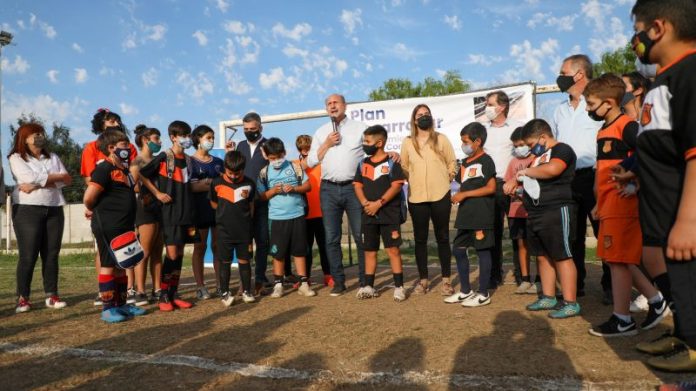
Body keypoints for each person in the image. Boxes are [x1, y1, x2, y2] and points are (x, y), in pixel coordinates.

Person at [628, 0, 696, 372]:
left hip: (684, 213)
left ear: (658, 28)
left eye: (636, 30)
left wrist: (689, 220)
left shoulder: (689, 72)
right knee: (680, 279)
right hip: (663, 209)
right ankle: (685, 334)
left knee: (691, 274)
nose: (634, 40)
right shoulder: (664, 78)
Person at [584, 73, 669, 337]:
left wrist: (636, 184)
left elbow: (651, 153)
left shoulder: (627, 126)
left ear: (609, 103)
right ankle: (656, 300)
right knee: (616, 259)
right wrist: (599, 202)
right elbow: (604, 171)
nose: (588, 109)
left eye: (591, 104)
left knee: (618, 261)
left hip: (624, 206)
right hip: (609, 206)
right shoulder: (603, 130)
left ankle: (623, 319)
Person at [552, 55, 612, 302]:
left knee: (604, 231)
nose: (559, 75)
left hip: (596, 177)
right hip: (566, 179)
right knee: (571, 235)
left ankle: (611, 286)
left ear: (578, 74)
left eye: (563, 71)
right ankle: (575, 285)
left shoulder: (597, 105)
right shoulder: (558, 110)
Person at [306, 94, 369, 297]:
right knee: (331, 238)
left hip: (353, 188)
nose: (332, 106)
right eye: (329, 104)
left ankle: (364, 281)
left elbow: (371, 151)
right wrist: (326, 144)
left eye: (336, 103)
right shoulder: (321, 132)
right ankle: (339, 282)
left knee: (361, 236)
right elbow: (310, 162)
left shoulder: (359, 128)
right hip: (329, 189)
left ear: (345, 106)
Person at [517, 119, 581, 319]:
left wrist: (525, 172)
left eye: (530, 144)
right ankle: (548, 296)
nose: (529, 148)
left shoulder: (562, 149)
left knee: (561, 255)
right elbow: (531, 178)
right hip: (536, 212)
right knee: (542, 255)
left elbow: (553, 169)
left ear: (543, 137)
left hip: (557, 209)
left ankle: (571, 302)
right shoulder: (537, 157)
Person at [83, 129, 147, 322]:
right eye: (124, 145)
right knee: (109, 265)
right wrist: (95, 209)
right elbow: (88, 197)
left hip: (124, 225)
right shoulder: (103, 169)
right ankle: (108, 308)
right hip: (108, 226)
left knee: (122, 265)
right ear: (111, 148)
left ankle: (122, 304)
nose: (128, 148)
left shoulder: (123, 170)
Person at [9, 123, 71, 313]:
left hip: (54, 208)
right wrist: (54, 179)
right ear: (24, 138)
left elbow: (67, 179)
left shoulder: (52, 157)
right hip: (27, 209)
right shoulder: (16, 157)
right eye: (35, 134)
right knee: (28, 255)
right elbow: (25, 177)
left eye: (41, 133)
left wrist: (36, 183)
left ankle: (51, 295)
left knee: (51, 254)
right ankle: (23, 298)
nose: (40, 136)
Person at [140, 120, 199, 311]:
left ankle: (173, 294)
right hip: (170, 213)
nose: (187, 139)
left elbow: (189, 185)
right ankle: (163, 296)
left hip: (187, 213)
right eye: (184, 135)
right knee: (172, 254)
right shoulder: (165, 157)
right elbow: (142, 174)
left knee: (180, 254)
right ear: (173, 137)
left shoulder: (189, 160)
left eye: (189, 135)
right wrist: (157, 194)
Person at [400, 104, 457, 295]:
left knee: (443, 238)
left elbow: (452, 162)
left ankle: (446, 280)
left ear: (431, 117)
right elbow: (405, 168)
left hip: (440, 194)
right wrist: (402, 170)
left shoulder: (441, 139)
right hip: (416, 197)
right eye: (419, 115)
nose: (423, 117)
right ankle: (423, 280)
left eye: (426, 114)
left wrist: (448, 177)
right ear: (414, 120)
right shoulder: (407, 142)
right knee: (420, 240)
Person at [444, 122, 496, 307]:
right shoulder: (464, 163)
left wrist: (465, 194)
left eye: (465, 141)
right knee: (458, 249)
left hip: (481, 213)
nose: (463, 145)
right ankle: (466, 291)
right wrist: (457, 195)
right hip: (465, 214)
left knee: (482, 250)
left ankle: (483, 293)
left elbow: (491, 188)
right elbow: (460, 184)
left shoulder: (486, 160)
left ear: (477, 141)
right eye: (462, 141)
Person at [353, 125, 407, 302]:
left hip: (389, 214)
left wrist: (379, 203)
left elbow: (397, 185)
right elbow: (357, 185)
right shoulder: (363, 163)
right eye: (364, 141)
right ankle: (369, 285)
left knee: (392, 250)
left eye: (367, 141)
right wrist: (365, 203)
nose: (364, 144)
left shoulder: (392, 162)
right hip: (368, 214)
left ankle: (399, 287)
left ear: (379, 143)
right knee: (369, 251)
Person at [257, 138, 316, 299]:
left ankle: (304, 284)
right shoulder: (264, 172)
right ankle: (278, 284)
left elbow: (308, 186)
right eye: (272, 158)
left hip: (297, 215)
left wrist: (295, 188)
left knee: (299, 250)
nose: (276, 161)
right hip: (276, 218)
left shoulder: (294, 166)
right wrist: (273, 191)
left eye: (278, 156)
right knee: (278, 253)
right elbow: (261, 196)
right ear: (267, 157)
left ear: (284, 153)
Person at [209, 151, 256, 306]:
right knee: (225, 262)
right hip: (224, 231)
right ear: (225, 168)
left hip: (244, 231)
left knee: (244, 261)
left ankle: (247, 291)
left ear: (243, 169)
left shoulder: (249, 183)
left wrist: (245, 220)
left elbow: (251, 205)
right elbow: (214, 203)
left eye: (238, 173)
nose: (234, 176)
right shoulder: (216, 183)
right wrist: (224, 216)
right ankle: (224, 293)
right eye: (230, 173)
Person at [483, 90, 520, 288]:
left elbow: (522, 156)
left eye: (490, 104)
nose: (487, 108)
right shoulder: (483, 130)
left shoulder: (516, 127)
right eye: (487, 104)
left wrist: (515, 179)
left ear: (502, 106)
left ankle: (521, 274)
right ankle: (494, 274)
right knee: (493, 232)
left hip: (513, 184)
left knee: (517, 231)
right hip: (491, 185)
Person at [233, 112, 271, 295]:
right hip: (242, 204)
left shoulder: (269, 145)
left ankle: (261, 279)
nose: (249, 132)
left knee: (263, 242)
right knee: (244, 242)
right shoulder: (239, 146)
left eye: (253, 129)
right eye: (246, 129)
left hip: (263, 202)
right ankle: (245, 281)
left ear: (260, 128)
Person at [130, 125, 164, 305]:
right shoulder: (136, 162)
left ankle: (157, 289)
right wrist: (152, 191)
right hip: (144, 208)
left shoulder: (160, 160)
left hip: (160, 208)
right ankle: (140, 291)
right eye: (156, 139)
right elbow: (133, 186)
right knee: (145, 251)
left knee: (158, 250)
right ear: (145, 140)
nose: (159, 142)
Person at [189, 125, 224, 299]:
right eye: (208, 137)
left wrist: (206, 184)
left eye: (212, 137)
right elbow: (192, 186)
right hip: (198, 210)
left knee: (217, 247)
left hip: (217, 210)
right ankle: (201, 286)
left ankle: (220, 285)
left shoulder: (218, 162)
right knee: (200, 247)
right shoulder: (190, 161)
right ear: (198, 140)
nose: (211, 141)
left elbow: (223, 184)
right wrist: (209, 184)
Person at [503, 127, 538, 295]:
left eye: (522, 144)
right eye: (515, 146)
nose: (519, 148)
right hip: (516, 209)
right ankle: (525, 279)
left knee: (537, 245)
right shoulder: (513, 162)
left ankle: (540, 280)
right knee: (521, 243)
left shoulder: (537, 159)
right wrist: (510, 187)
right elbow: (507, 181)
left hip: (533, 209)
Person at [296, 135, 332, 287]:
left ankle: (328, 275)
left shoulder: (323, 163)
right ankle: (305, 278)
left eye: (308, 149)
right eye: (301, 149)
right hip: (303, 214)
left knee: (325, 247)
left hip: (323, 213)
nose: (305, 152)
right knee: (305, 249)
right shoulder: (294, 165)